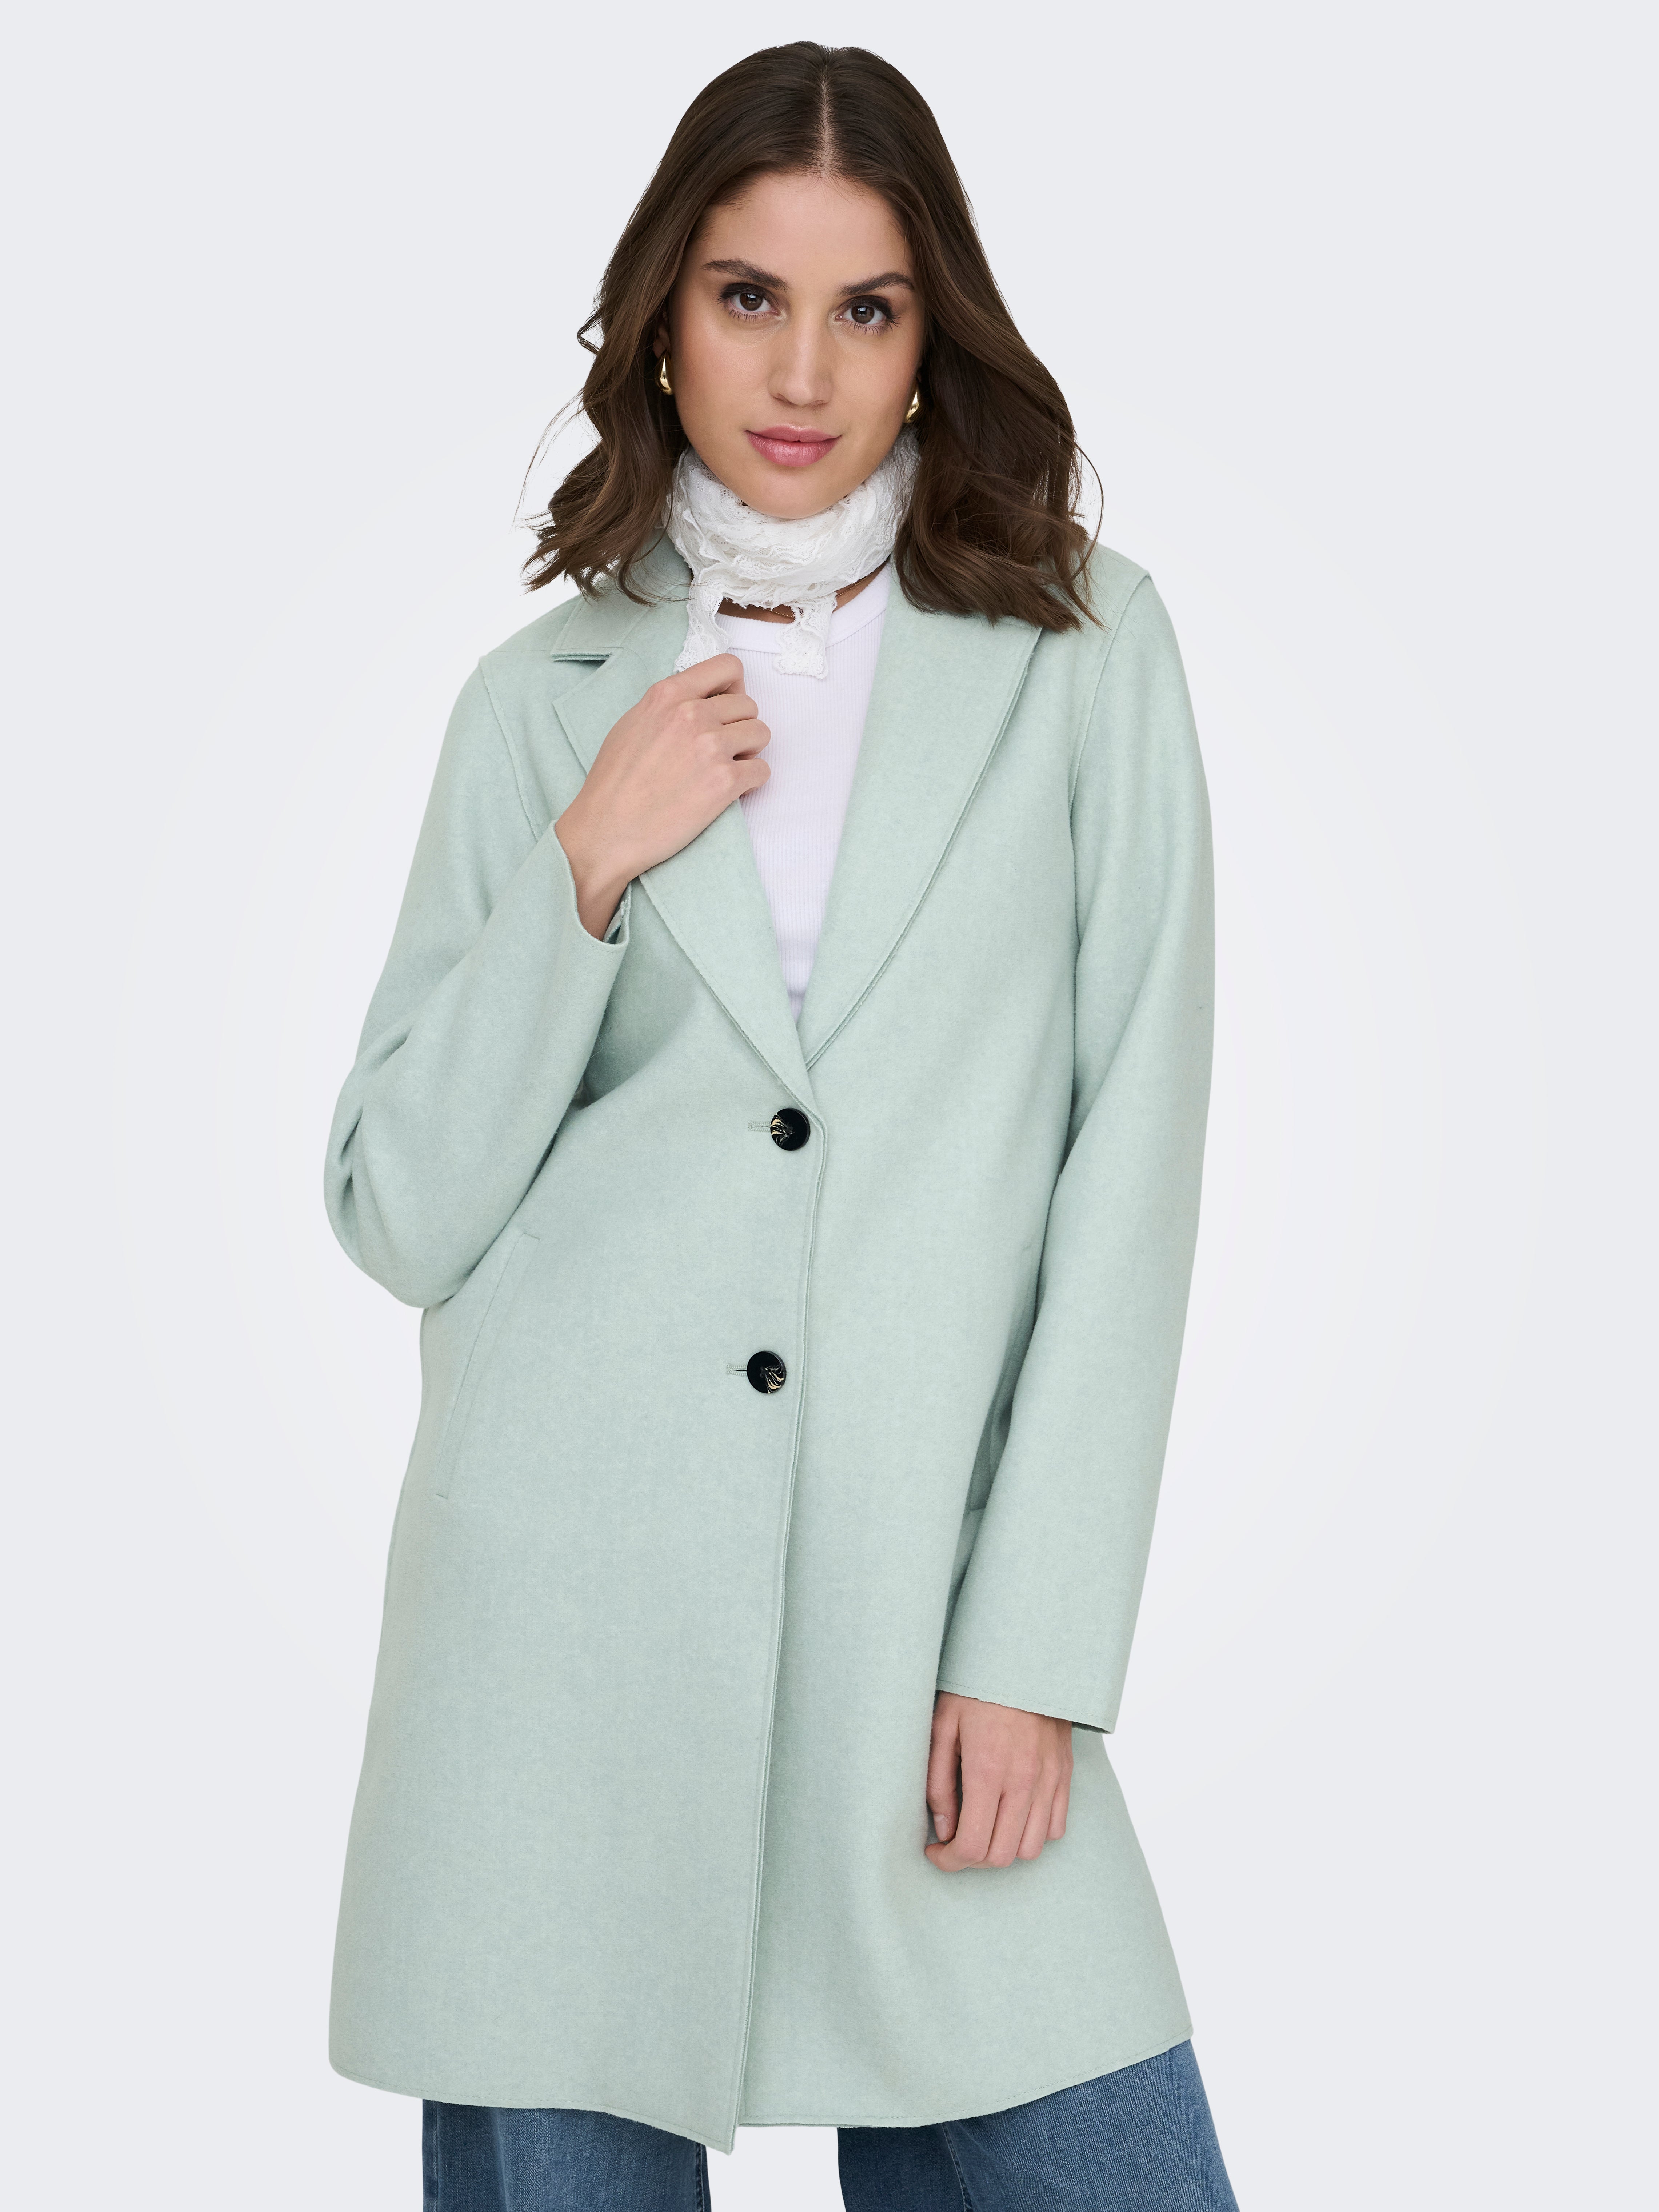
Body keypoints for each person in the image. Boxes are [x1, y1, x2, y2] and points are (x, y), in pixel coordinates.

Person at [324, 41, 1236, 2212]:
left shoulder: (1082, 651)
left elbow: (1132, 1162)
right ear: (664, 316)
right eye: (748, 298)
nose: (804, 371)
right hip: (563, 1651)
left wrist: (1033, 1647)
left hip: (921, 1627)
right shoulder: (540, 706)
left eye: (866, 306)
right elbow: (397, 1205)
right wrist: (588, 863)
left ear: (935, 335)